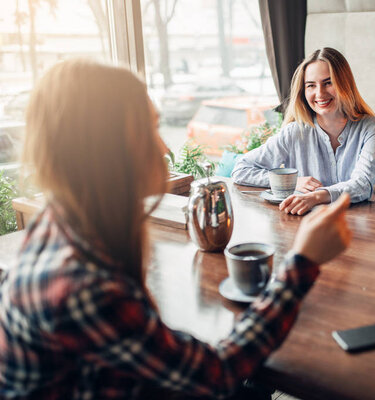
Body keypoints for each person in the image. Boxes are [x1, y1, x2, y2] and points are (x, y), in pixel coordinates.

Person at [0, 60, 352, 399]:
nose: (165, 149)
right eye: (149, 129)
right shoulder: (84, 289)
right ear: (108, 150)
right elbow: (218, 372)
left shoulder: (57, 224)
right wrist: (303, 261)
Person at [232, 47, 375, 215]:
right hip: (304, 220)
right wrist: (292, 182)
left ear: (344, 83)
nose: (320, 93)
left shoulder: (371, 127)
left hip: (362, 223)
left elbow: (363, 183)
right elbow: (241, 169)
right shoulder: (294, 132)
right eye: (311, 85)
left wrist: (316, 197)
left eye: (328, 83)